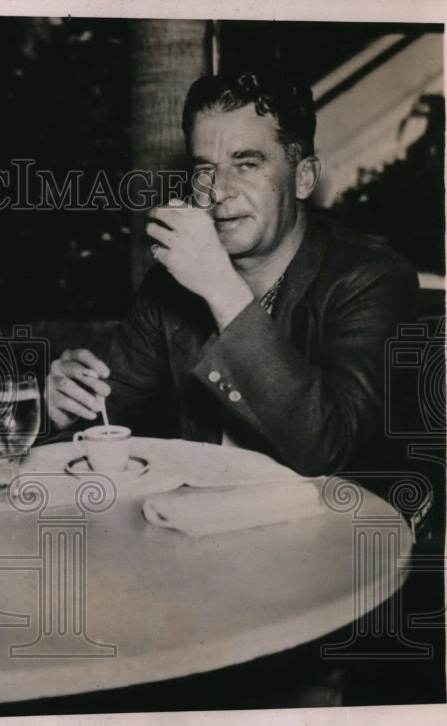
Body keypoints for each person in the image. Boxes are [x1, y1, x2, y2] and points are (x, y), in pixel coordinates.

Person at [46, 71, 419, 478]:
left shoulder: (373, 279)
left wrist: (219, 287)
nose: (218, 190)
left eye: (246, 164)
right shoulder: (170, 287)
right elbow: (100, 425)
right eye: (204, 168)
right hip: (205, 525)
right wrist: (60, 413)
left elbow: (327, 448)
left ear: (303, 177)